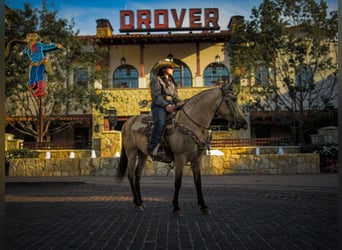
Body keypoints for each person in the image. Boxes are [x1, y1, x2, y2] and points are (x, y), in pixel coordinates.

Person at [148, 58, 183, 157]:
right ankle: (152, 146)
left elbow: (175, 96)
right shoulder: (156, 80)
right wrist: (166, 105)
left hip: (171, 105)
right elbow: (156, 96)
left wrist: (180, 102)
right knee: (160, 122)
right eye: (170, 67)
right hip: (159, 105)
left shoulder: (172, 82)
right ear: (164, 69)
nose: (172, 69)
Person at [22, 33, 63, 97]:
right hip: (34, 64)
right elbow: (23, 52)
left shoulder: (39, 45)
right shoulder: (27, 49)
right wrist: (20, 53)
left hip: (42, 62)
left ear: (35, 41)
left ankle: (41, 90)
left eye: (33, 41)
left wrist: (55, 45)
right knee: (32, 74)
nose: (32, 43)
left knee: (39, 73)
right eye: (31, 41)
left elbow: (47, 46)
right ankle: (32, 84)